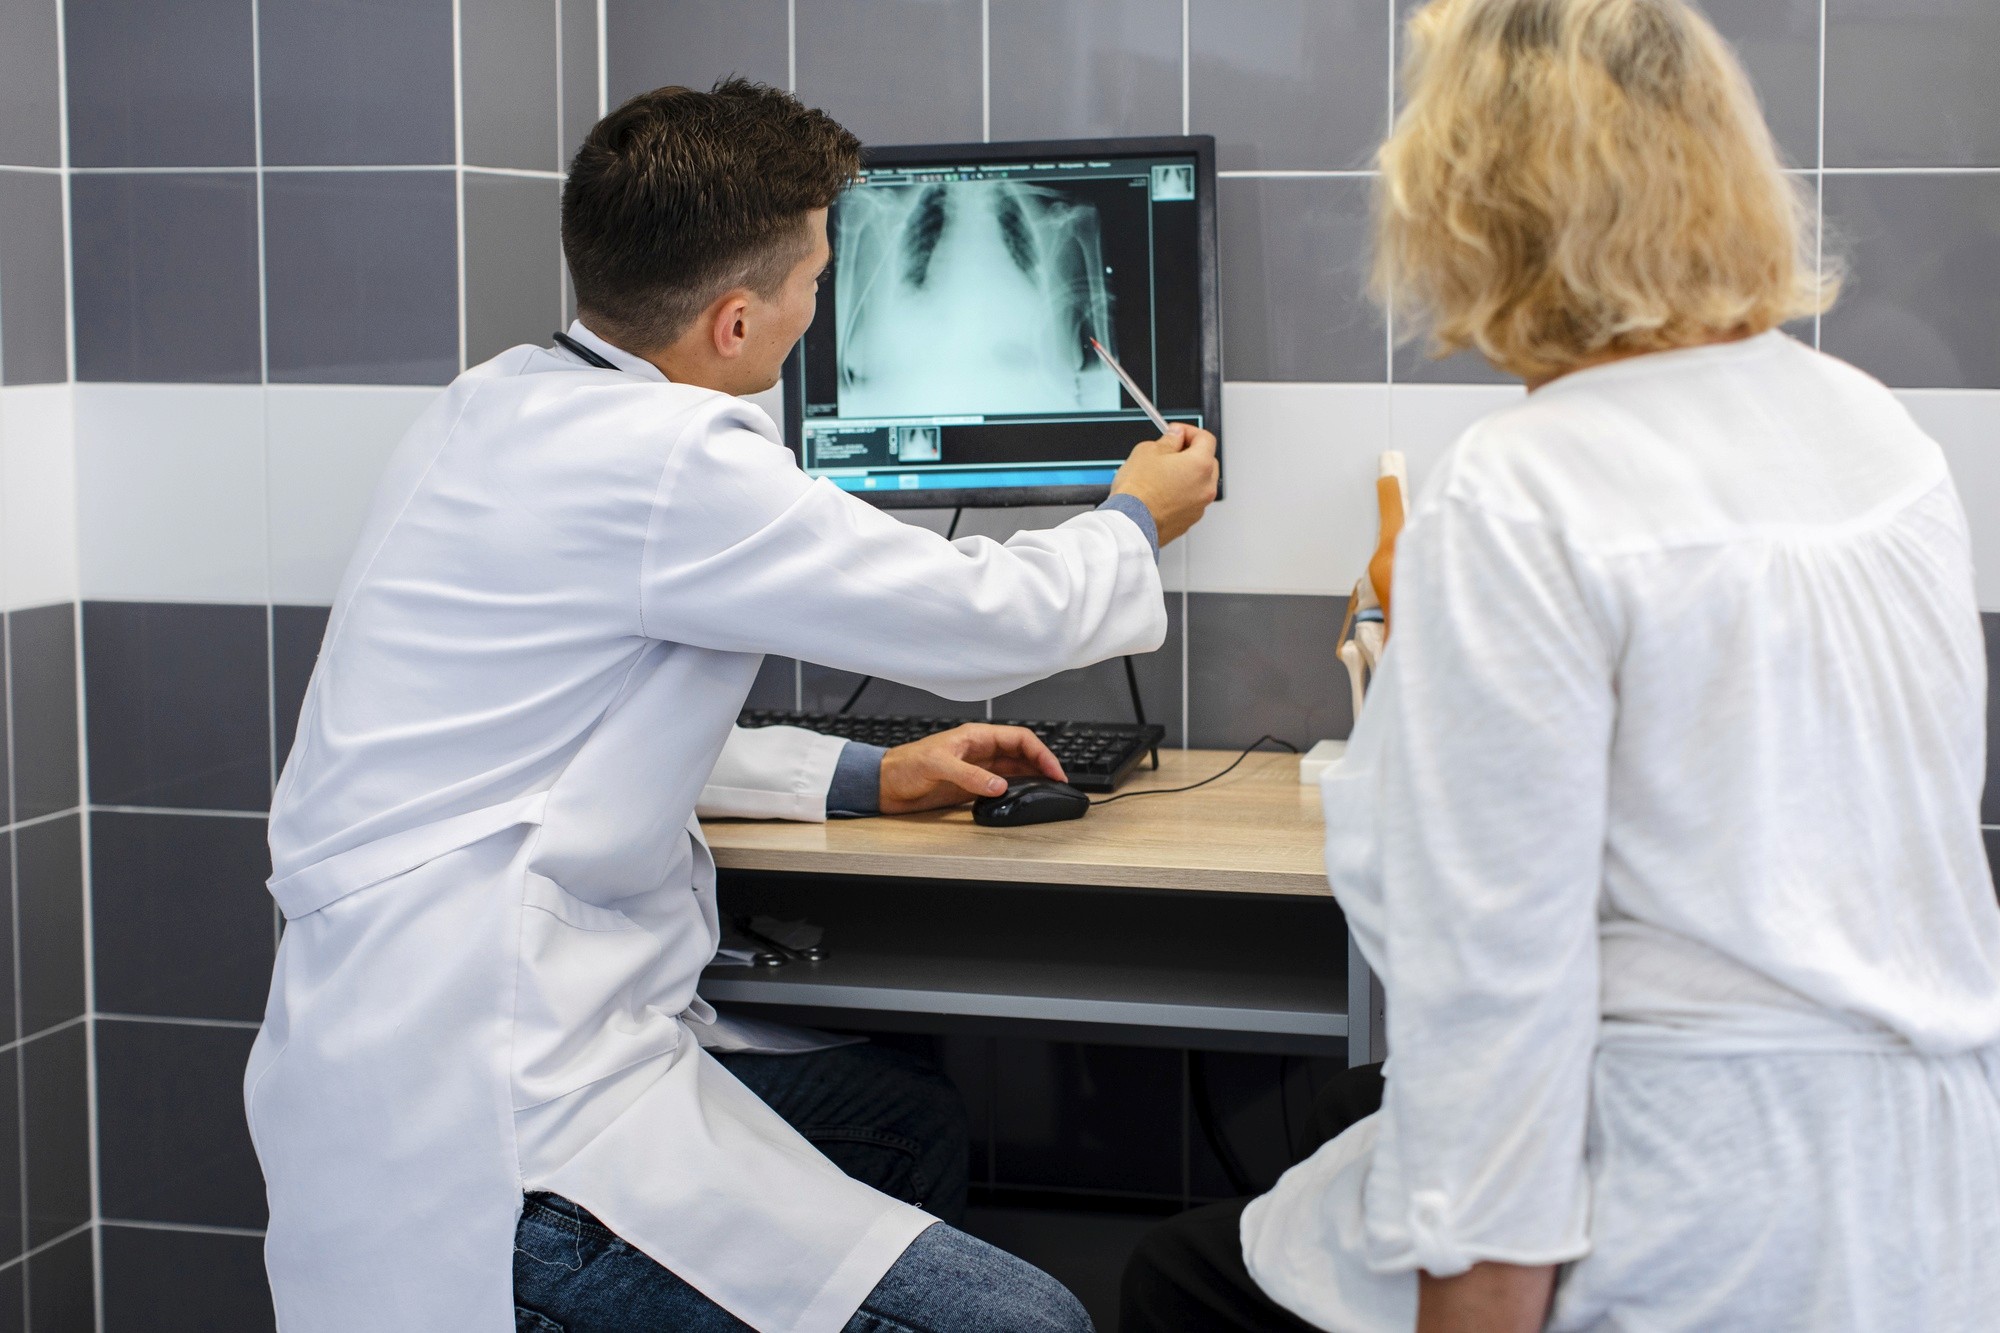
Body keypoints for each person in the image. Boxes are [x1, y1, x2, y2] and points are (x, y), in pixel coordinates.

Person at [244, 80, 1218, 1332]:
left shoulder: (490, 405)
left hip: (384, 1053)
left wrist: (870, 776)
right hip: (500, 1113)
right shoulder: (671, 458)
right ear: (736, 319)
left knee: (899, 1120)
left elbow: (556, 745)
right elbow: (987, 619)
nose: (820, 305)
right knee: (1028, 1323)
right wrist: (1139, 515)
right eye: (817, 277)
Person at [1123, 0, 2000, 1329]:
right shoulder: (1878, 435)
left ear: (1468, 208)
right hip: (1919, 1209)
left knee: (1176, 1273)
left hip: (1677, 1208)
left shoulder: (1523, 491)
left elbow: (1491, 1014)